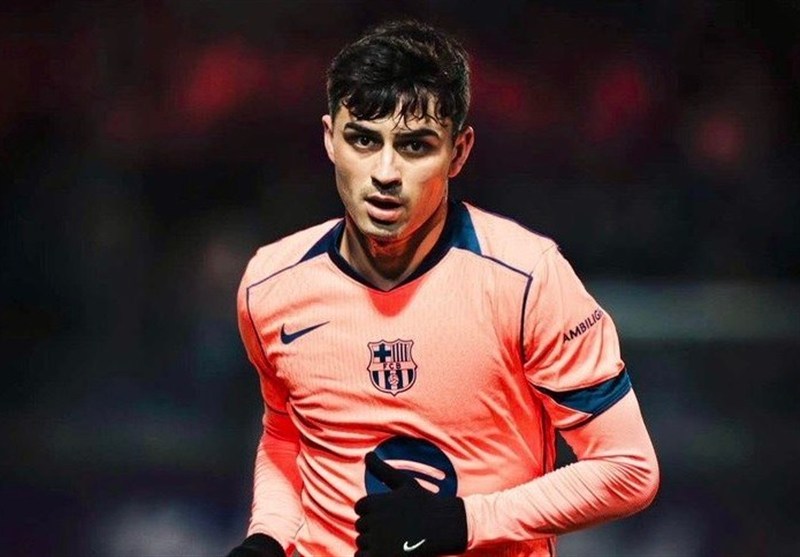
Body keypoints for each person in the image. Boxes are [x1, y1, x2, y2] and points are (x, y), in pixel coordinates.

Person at [226, 19, 659, 557]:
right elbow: (286, 433)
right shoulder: (269, 285)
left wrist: (464, 522)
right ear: (330, 139)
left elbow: (628, 468)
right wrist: (267, 536)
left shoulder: (528, 280)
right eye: (364, 140)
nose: (385, 172)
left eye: (415, 146)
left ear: (458, 152)